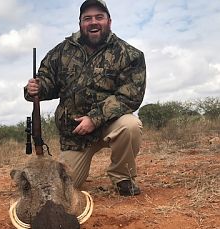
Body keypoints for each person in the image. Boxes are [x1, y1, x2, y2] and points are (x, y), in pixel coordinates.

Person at [25, 0, 146, 196]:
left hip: (110, 125)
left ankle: (123, 177)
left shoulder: (129, 54)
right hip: (76, 135)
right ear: (80, 23)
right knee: (65, 189)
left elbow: (130, 95)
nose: (93, 22)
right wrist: (34, 88)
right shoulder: (60, 52)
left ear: (109, 21)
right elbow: (47, 83)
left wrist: (94, 118)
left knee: (130, 125)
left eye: (99, 17)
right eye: (87, 18)